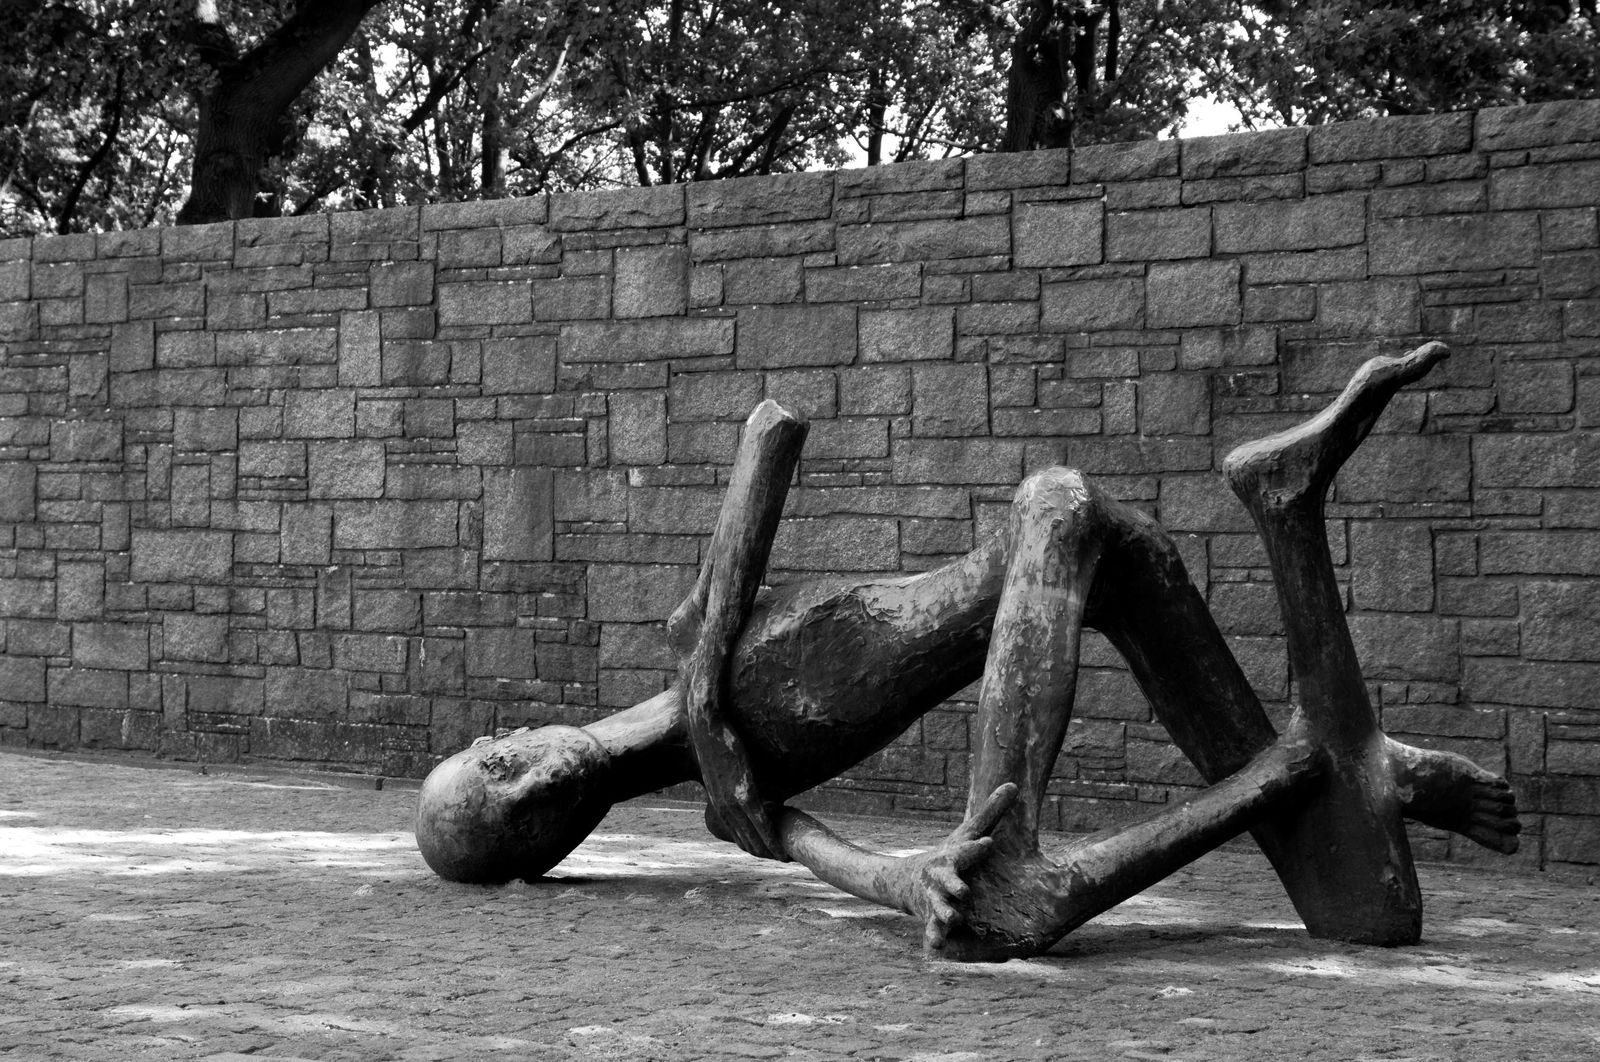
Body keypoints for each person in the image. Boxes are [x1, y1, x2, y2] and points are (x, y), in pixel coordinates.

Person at [416, 346, 1519, 960]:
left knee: (1009, 894)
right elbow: (839, 859)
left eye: (502, 772)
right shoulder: (739, 808)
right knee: (1365, 907)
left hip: (1043, 534)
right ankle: (1292, 528)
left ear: (499, 734)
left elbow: (769, 433)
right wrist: (908, 883)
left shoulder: (691, 639)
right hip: (1104, 564)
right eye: (524, 822)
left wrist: (705, 692)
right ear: (547, 855)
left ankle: (1018, 848)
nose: (544, 784)